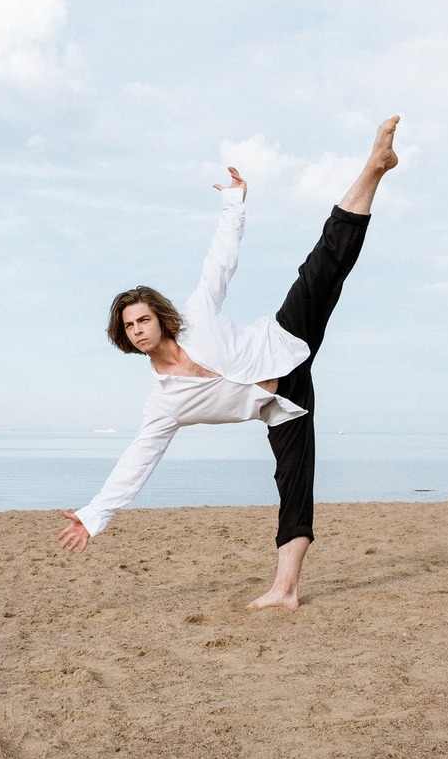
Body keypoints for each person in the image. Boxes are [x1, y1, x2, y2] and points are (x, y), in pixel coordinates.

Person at [58, 115, 400, 609]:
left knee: (325, 262)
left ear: (158, 315)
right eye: (129, 327)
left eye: (142, 318)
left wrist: (233, 202)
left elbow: (221, 259)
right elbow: (137, 461)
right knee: (293, 484)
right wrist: (94, 516)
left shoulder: (196, 315)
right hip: (283, 402)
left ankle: (374, 166)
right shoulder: (164, 404)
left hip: (284, 339)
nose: (138, 329)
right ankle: (286, 590)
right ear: (126, 340)